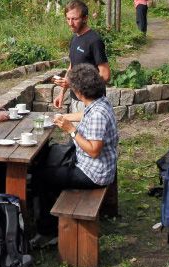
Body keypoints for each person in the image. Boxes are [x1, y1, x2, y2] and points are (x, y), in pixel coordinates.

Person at [29, 63, 120, 247]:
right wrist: (63, 118)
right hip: (96, 166)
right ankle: (51, 215)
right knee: (47, 160)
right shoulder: (99, 102)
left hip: (94, 174)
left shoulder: (97, 115)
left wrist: (70, 130)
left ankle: (47, 232)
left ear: (79, 92)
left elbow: (94, 150)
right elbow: (84, 114)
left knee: (39, 177)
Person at [52, 0, 110, 111]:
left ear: (85, 18)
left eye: (74, 19)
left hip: (92, 102)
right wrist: (61, 93)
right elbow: (72, 66)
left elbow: (105, 75)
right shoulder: (74, 38)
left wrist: (76, 84)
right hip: (76, 99)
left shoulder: (94, 40)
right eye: (68, 19)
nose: (70, 23)